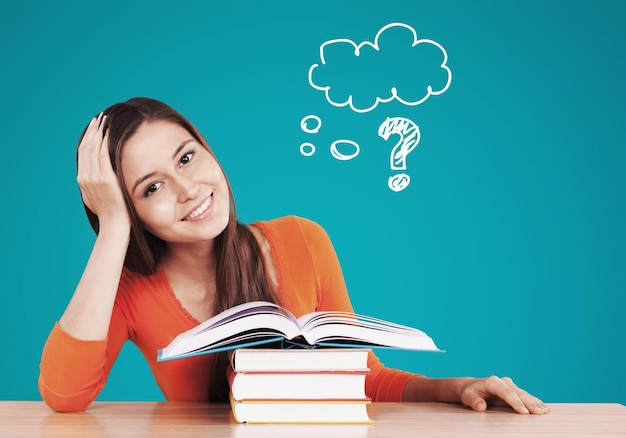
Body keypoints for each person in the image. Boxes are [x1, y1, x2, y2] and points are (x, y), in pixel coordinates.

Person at [38, 97, 550, 415]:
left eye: (188, 157)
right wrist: (112, 231)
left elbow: (362, 379)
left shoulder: (302, 239)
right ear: (131, 211)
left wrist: (459, 387)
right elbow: (63, 396)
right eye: (152, 188)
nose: (188, 188)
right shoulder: (128, 288)